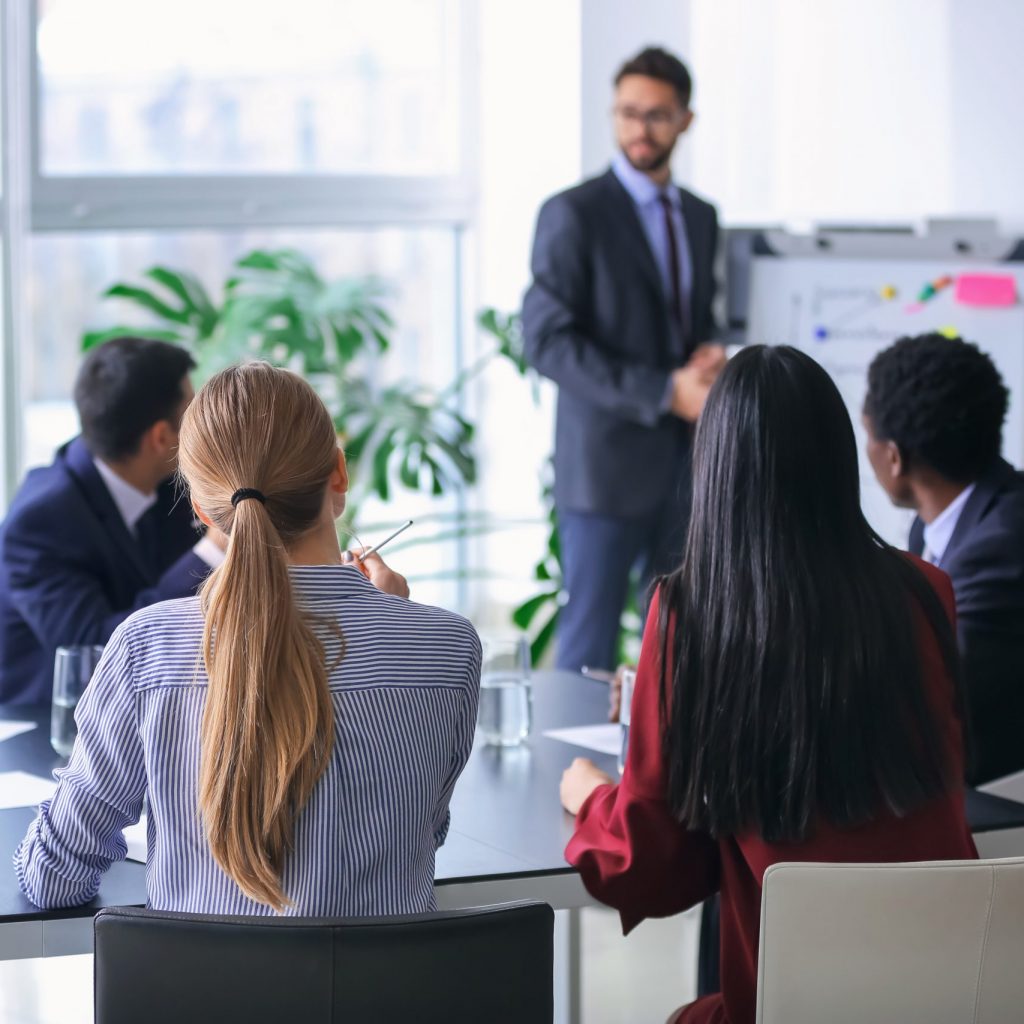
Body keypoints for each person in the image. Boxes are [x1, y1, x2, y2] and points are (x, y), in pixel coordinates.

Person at [560, 346, 977, 1024]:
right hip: (953, 989)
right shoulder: (924, 591)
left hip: (798, 1003)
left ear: (716, 466)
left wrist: (589, 800)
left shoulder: (691, 612)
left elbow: (654, 864)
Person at [15, 362, 481, 915]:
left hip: (199, 1000)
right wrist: (397, 628)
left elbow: (53, 879)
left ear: (201, 510)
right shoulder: (448, 646)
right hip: (390, 999)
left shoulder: (146, 648)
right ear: (339, 474)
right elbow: (420, 837)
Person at [522, 46, 725, 673]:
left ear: (685, 120)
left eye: (658, 115)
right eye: (628, 113)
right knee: (589, 645)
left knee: (687, 638)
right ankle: (570, 772)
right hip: (605, 471)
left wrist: (710, 355)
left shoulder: (700, 215)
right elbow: (546, 341)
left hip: (689, 467)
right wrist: (667, 390)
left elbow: (694, 317)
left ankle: (671, 768)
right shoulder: (573, 213)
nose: (641, 129)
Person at [0, 336, 227, 705]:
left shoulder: (167, 480)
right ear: (160, 437)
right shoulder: (39, 523)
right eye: (192, 413)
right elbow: (93, 649)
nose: (202, 430)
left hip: (147, 710)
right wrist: (213, 548)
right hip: (49, 730)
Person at [864, 332, 1024, 784]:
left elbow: (935, 697)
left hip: (998, 801)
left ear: (894, 457)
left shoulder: (999, 546)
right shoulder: (938, 523)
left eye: (867, 433)